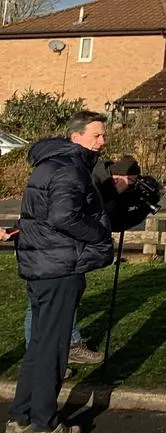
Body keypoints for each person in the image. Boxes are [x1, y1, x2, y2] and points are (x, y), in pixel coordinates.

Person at [6, 111, 114, 433]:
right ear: (75, 137)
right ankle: (44, 426)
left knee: (39, 345)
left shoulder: (48, 165)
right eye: (96, 135)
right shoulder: (70, 168)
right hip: (58, 268)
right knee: (53, 349)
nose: (102, 141)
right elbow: (63, 215)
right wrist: (99, 234)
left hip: (41, 266)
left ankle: (20, 419)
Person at [20, 154, 140, 366]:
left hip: (61, 249)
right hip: (50, 250)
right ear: (117, 177)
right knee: (41, 306)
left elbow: (107, 218)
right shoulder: (86, 180)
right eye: (129, 183)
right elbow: (70, 217)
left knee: (61, 301)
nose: (129, 188)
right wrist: (97, 235)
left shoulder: (96, 182)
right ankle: (44, 358)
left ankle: (61, 348)